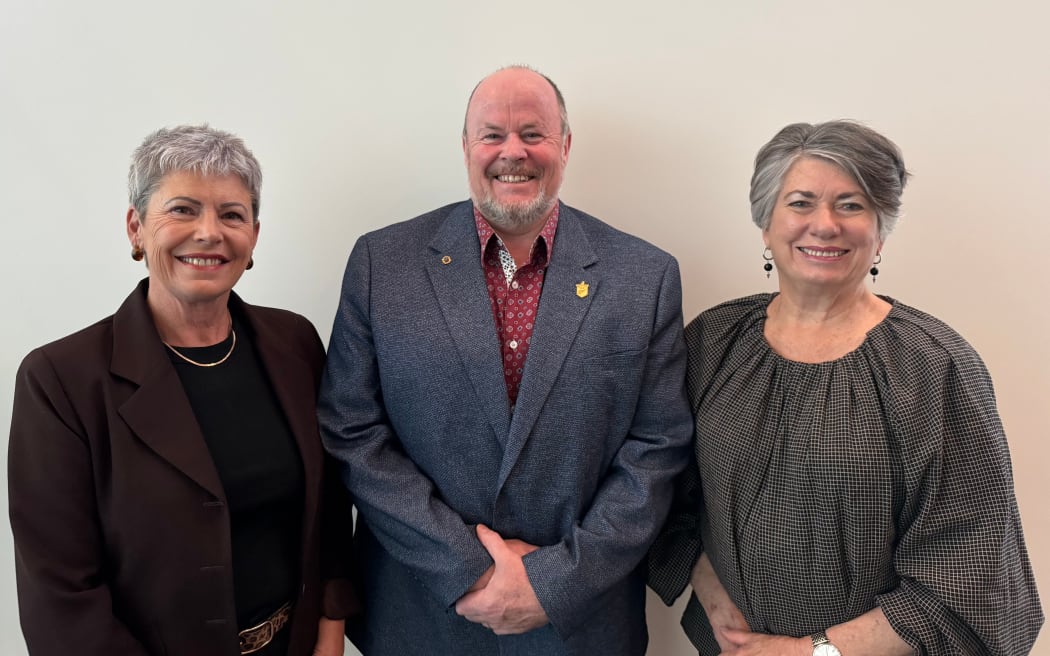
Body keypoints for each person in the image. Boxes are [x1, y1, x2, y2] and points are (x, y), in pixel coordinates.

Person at [318, 65, 693, 655]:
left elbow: (658, 448)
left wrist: (552, 582)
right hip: (422, 617)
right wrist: (468, 569)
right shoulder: (380, 264)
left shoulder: (644, 276)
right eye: (492, 134)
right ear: (466, 147)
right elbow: (352, 430)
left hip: (577, 624)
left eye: (533, 133)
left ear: (565, 146)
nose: (511, 151)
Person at [648, 120, 1043, 655]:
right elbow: (664, 492)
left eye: (851, 205)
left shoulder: (934, 369)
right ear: (766, 224)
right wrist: (713, 595)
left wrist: (812, 652)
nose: (825, 225)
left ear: (881, 231)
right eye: (801, 202)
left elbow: (972, 570)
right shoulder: (713, 344)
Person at [8, 125, 359, 656]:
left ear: (254, 237)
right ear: (136, 228)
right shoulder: (59, 380)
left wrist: (330, 635)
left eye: (232, 215)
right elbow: (61, 597)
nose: (209, 233)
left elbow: (330, 509)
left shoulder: (296, 344)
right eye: (182, 209)